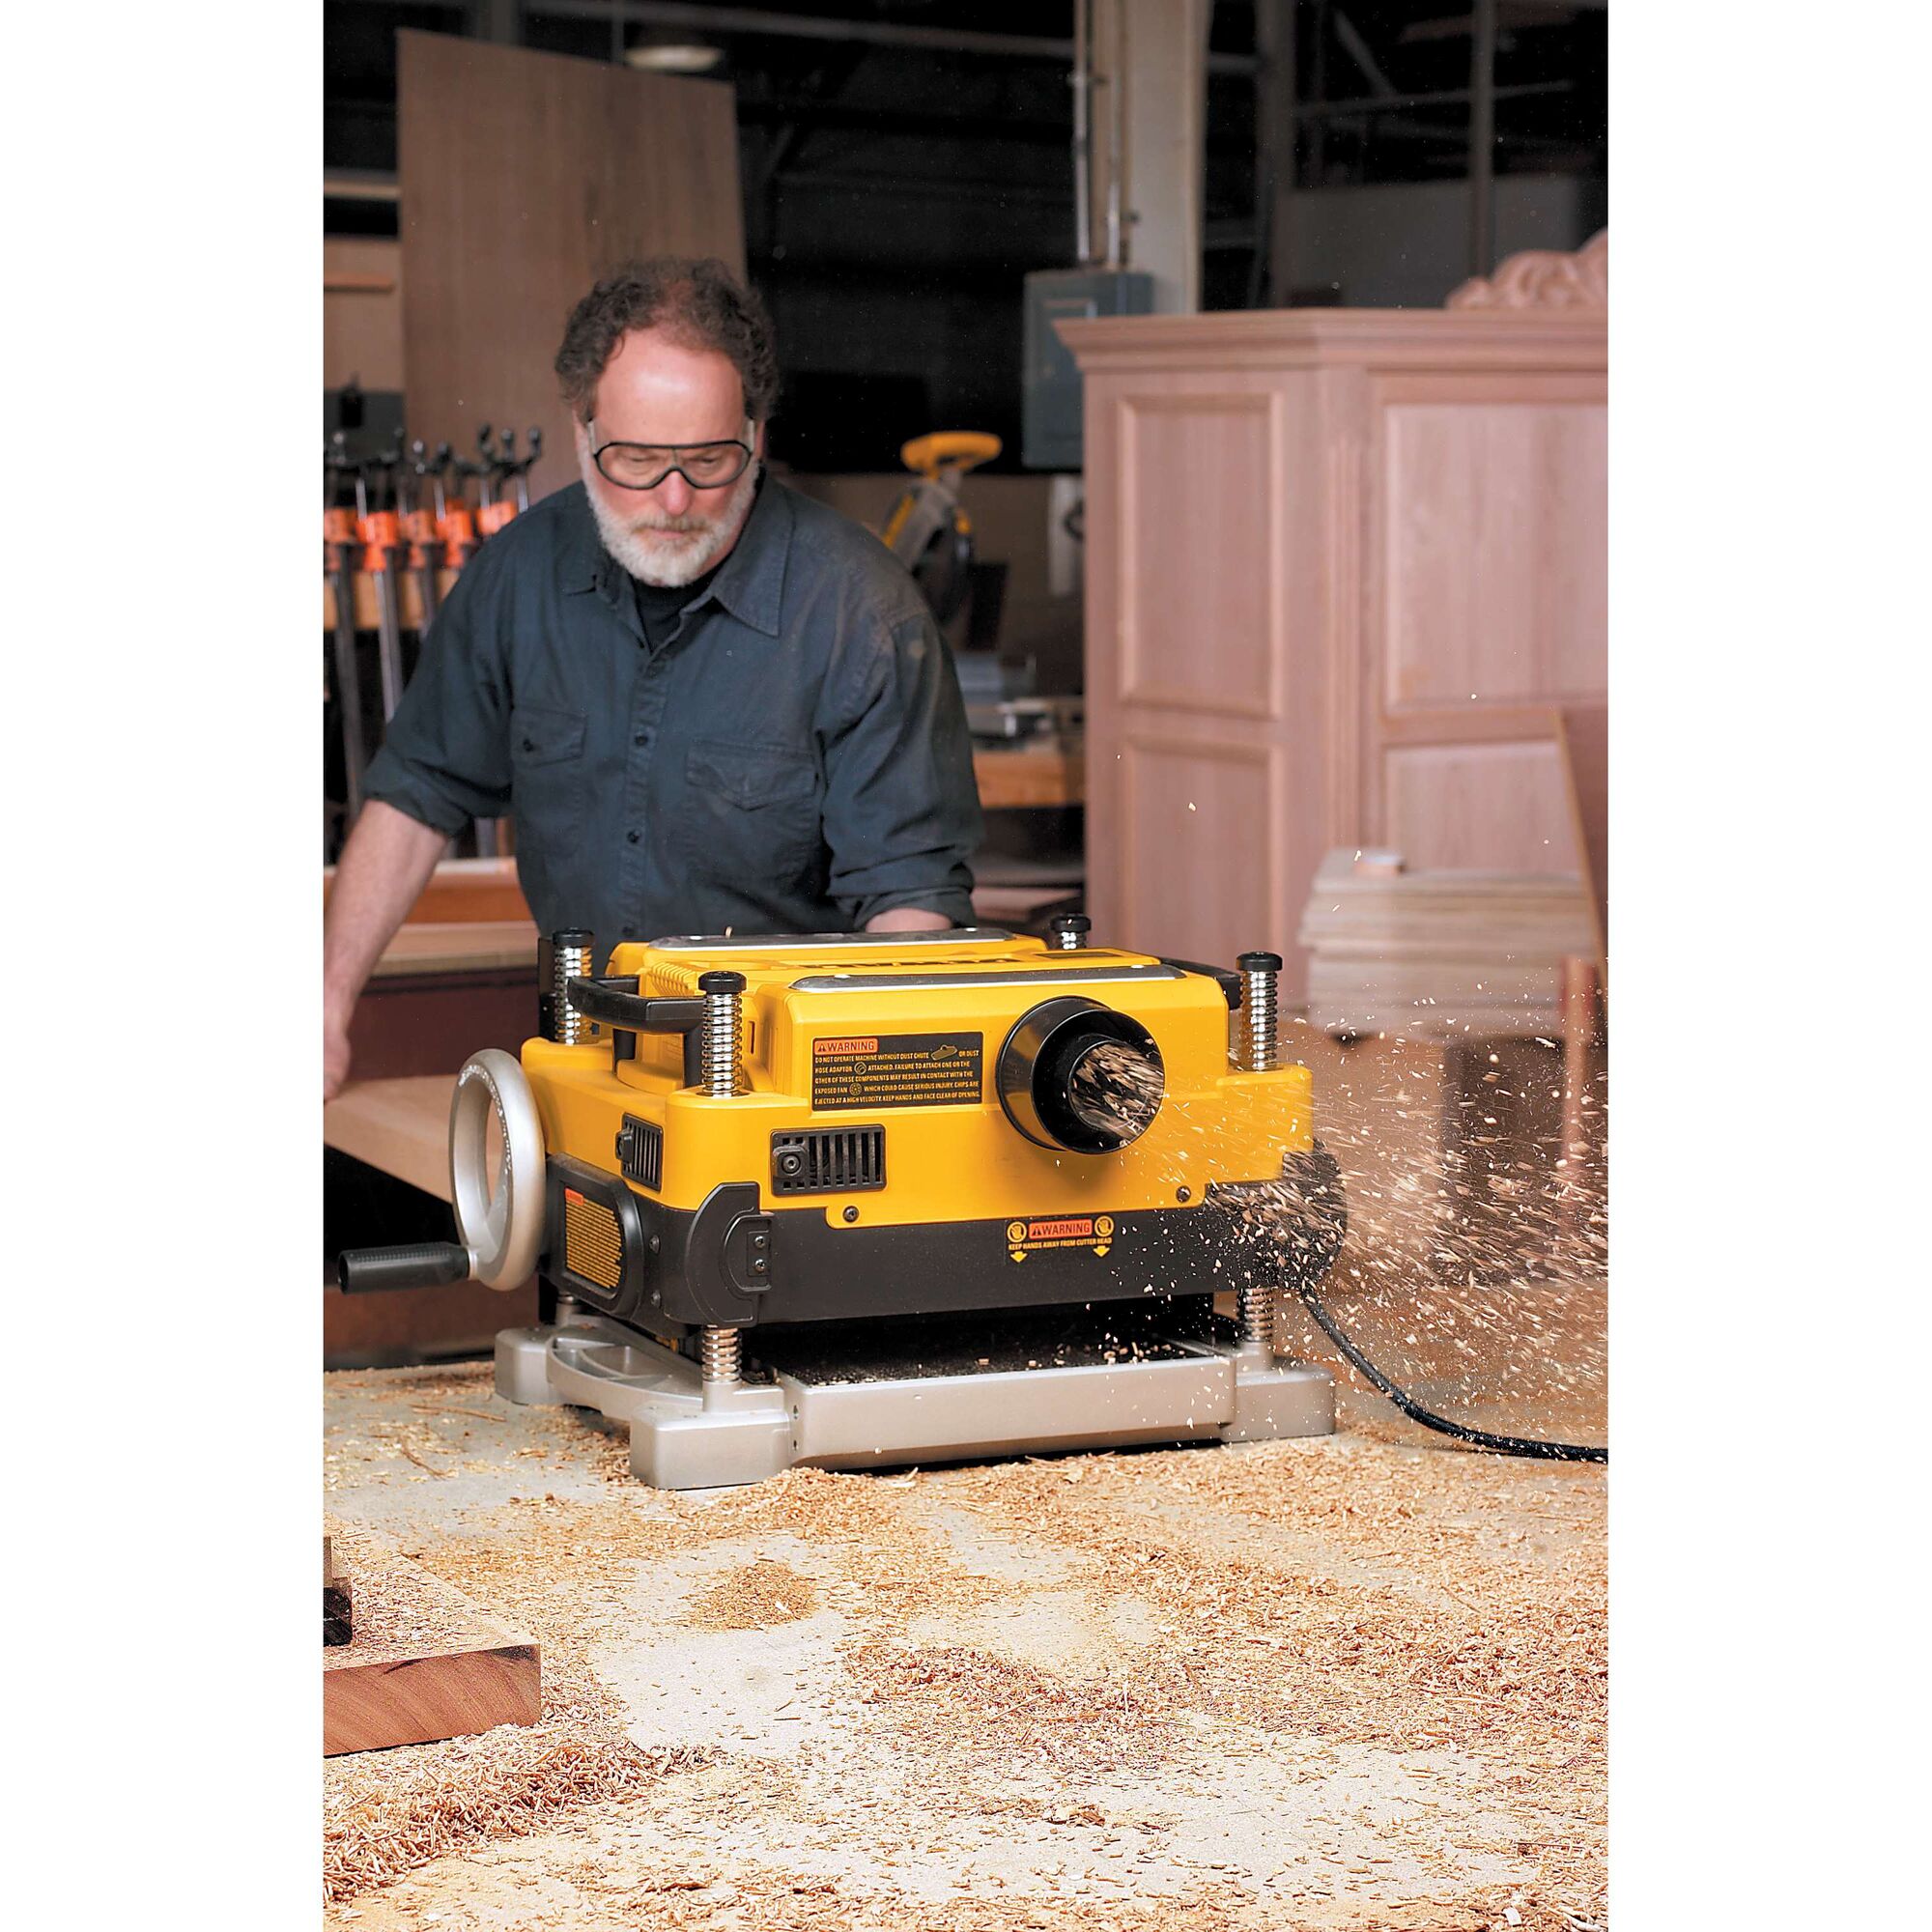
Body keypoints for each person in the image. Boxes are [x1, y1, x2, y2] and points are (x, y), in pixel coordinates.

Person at [325, 257, 982, 1100]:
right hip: (577, 1070)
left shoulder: (861, 615)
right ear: (580, 432)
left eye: (708, 460)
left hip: (779, 1091)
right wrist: (327, 1000)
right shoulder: (517, 578)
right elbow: (416, 793)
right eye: (635, 459)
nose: (673, 499)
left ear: (757, 437)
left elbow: (909, 905)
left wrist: (874, 1106)